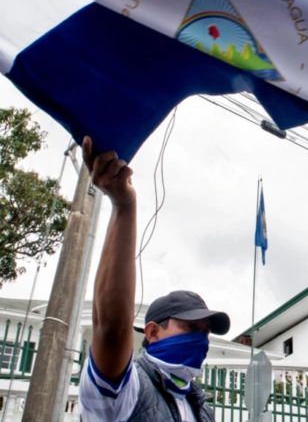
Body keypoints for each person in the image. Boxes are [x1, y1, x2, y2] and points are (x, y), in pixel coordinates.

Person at [78, 137, 231, 421]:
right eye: (189, 327)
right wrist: (124, 207)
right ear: (152, 332)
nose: (200, 339)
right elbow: (111, 327)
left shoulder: (203, 409)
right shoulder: (128, 389)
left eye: (204, 332)